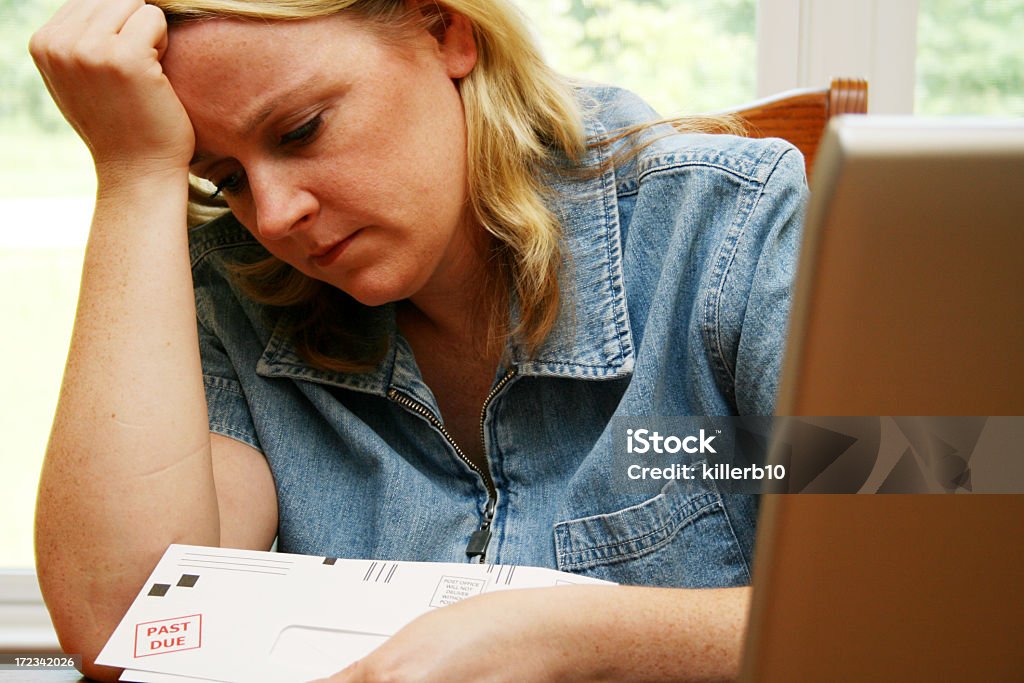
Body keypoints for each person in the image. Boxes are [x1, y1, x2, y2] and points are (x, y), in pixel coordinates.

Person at [29, 0, 807, 680]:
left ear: (444, 31)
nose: (271, 216)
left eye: (300, 131)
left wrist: (574, 636)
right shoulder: (235, 285)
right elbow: (126, 623)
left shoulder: (732, 230)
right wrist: (135, 176)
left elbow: (918, 596)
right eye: (223, 177)